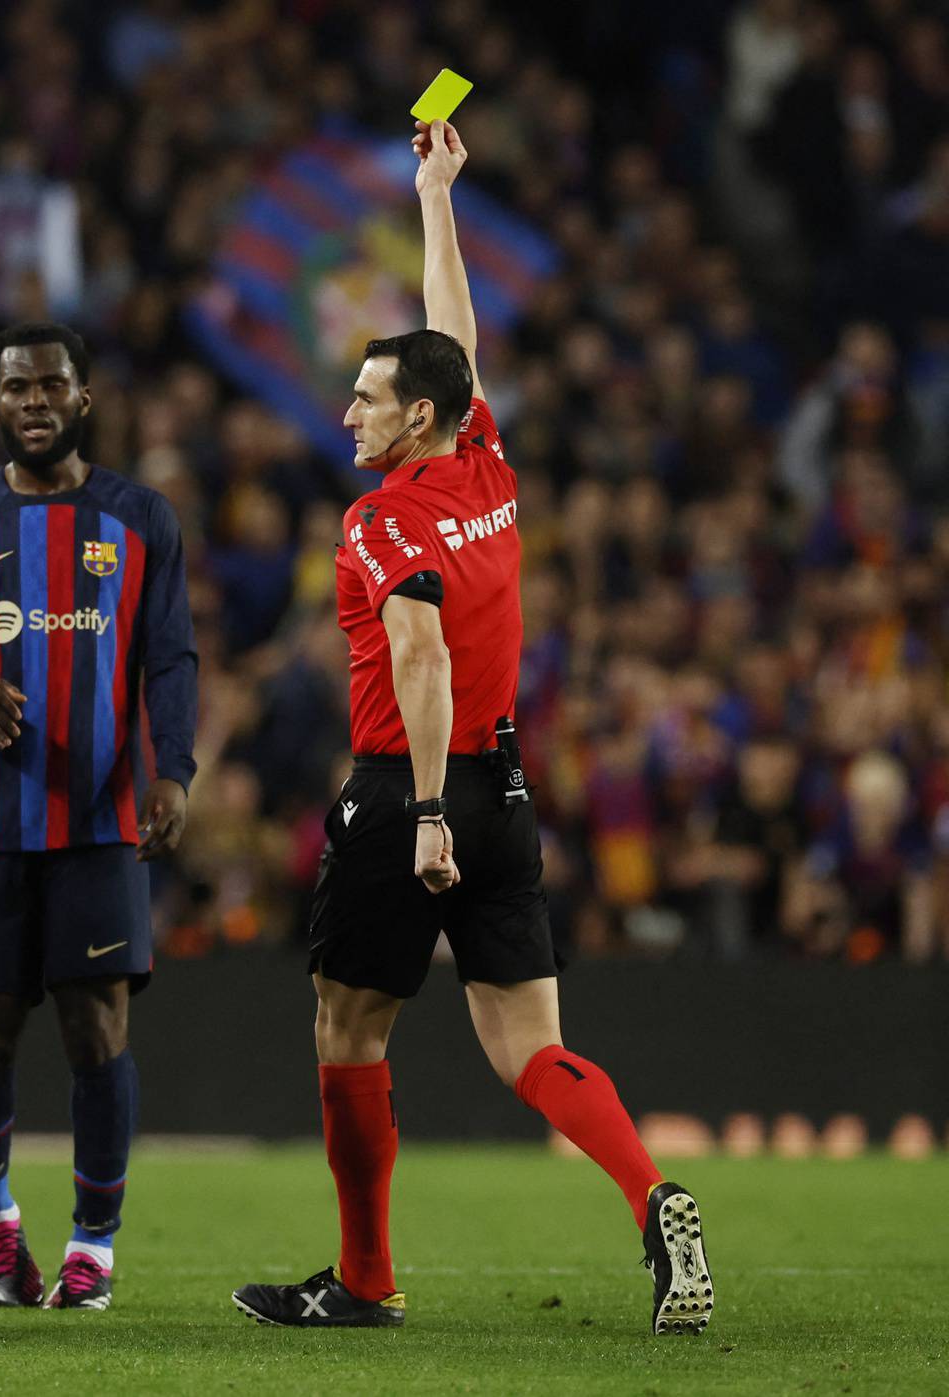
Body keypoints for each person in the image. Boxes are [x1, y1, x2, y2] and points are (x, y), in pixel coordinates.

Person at [229, 120, 713, 1337]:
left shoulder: (382, 524)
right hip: (507, 789)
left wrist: (427, 814)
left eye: (367, 399)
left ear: (417, 419)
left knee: (348, 1027)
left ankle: (366, 1277)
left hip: (415, 793)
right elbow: (459, 338)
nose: (346, 413)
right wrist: (435, 200)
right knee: (532, 1047)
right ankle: (653, 1195)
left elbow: (421, 653)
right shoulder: (487, 466)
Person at [0, 321, 197, 1311]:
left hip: (100, 816)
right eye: (16, 389)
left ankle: (93, 1245)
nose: (35, 401)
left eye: (52, 385)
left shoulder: (139, 518)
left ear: (83, 398)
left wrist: (175, 774)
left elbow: (168, 657)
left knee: (95, 1030)